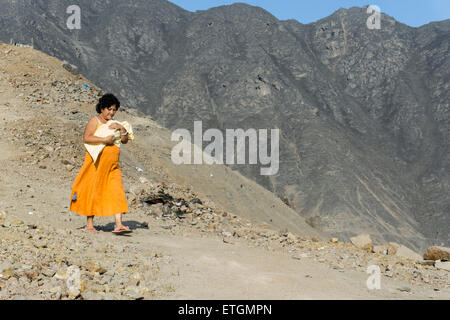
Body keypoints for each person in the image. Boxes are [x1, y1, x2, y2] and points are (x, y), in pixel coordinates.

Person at [70, 93, 131, 234]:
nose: (111, 112)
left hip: (112, 165)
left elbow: (125, 140)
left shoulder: (115, 124)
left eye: (114, 110)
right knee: (93, 190)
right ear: (102, 108)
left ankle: (119, 224)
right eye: (109, 109)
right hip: (96, 163)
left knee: (117, 191)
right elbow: (87, 137)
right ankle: (89, 225)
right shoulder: (94, 121)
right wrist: (104, 141)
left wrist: (122, 129)